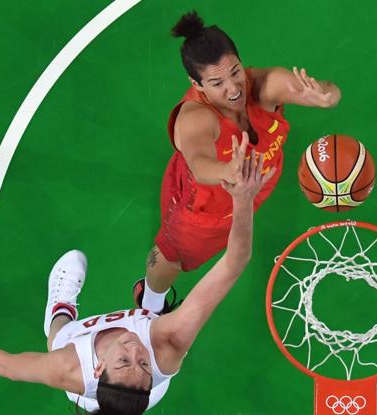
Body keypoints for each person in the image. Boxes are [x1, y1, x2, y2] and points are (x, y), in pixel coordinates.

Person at [0, 147, 275, 414]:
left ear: (99, 367)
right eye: (143, 364)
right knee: (153, 322)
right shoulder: (169, 343)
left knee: (59, 337)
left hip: (81, 370)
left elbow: (8, 367)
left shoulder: (67, 369)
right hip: (138, 385)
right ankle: (150, 307)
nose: (136, 352)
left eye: (124, 362)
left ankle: (59, 307)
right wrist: (242, 200)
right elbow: (234, 262)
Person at [134, 11, 342, 314]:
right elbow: (198, 163)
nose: (233, 88)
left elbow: (329, 89)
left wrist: (325, 97)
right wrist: (228, 171)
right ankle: (150, 303)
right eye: (217, 82)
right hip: (205, 207)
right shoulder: (196, 117)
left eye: (235, 71)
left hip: (255, 183)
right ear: (197, 83)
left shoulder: (263, 84)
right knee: (170, 255)